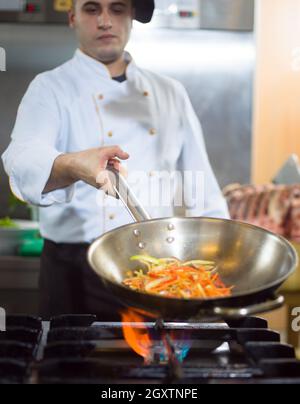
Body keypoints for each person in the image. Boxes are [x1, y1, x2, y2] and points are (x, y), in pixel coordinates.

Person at [1, 0, 229, 320]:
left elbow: (203, 190)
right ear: (73, 17)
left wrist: (223, 260)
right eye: (92, 9)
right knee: (67, 368)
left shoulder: (169, 92)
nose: (105, 21)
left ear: (132, 17)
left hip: (156, 266)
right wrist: (71, 165)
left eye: (118, 8)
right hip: (73, 270)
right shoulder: (50, 88)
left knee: (152, 365)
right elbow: (21, 158)